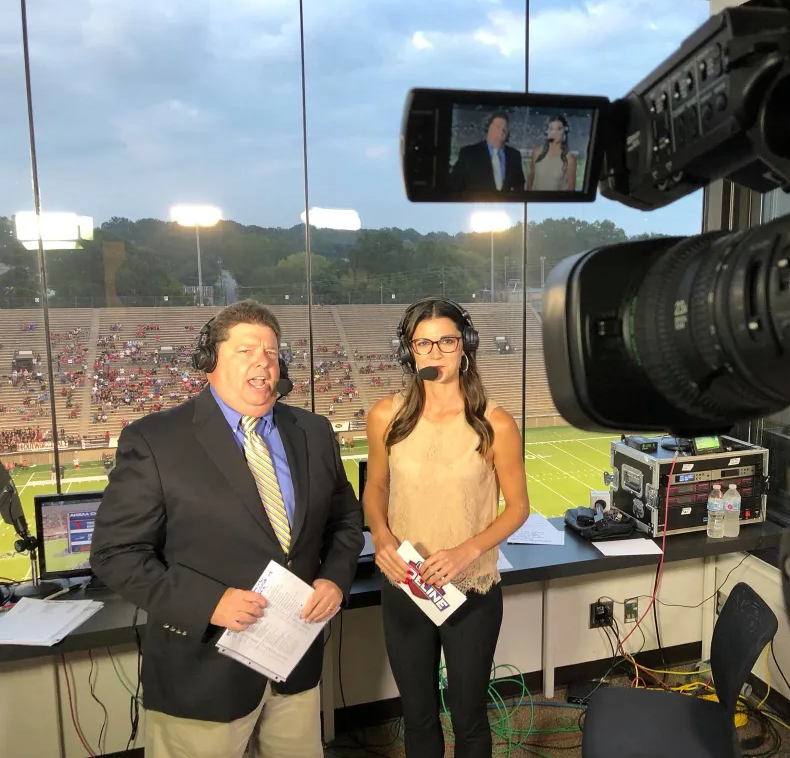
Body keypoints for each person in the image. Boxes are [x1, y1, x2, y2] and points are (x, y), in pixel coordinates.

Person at [91, 299, 363, 758]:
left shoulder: (313, 431)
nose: (263, 361)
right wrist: (210, 603)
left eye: (271, 352)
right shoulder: (156, 439)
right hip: (203, 674)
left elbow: (345, 521)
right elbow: (116, 553)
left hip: (293, 665)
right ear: (210, 362)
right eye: (246, 350)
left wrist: (334, 578)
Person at [363, 297, 530, 758]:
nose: (435, 352)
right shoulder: (385, 416)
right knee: (417, 715)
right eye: (423, 342)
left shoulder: (495, 423)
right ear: (409, 351)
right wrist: (380, 535)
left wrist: (466, 551)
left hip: (470, 590)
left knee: (468, 715)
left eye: (447, 341)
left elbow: (518, 508)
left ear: (465, 347)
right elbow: (375, 488)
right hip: (405, 584)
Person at [449, 111, 527, 193]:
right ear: (488, 128)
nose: (502, 130)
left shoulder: (515, 155)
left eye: (505, 128)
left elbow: (519, 185)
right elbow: (455, 185)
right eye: (498, 126)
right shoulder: (469, 153)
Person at [527, 115, 577, 191]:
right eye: (551, 129)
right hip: (536, 201)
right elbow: (530, 179)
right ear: (546, 131)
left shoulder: (569, 159)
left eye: (559, 129)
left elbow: (571, 191)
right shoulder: (536, 152)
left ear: (565, 132)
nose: (554, 132)